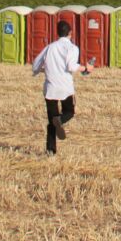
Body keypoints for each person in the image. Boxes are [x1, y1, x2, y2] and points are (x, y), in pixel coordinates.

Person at [31, 20, 94, 155]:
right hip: (65, 88)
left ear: (57, 33)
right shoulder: (72, 48)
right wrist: (86, 68)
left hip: (50, 88)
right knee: (69, 112)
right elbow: (71, 66)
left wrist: (43, 69)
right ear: (70, 33)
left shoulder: (50, 47)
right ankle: (60, 120)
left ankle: (50, 150)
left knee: (51, 121)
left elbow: (35, 65)